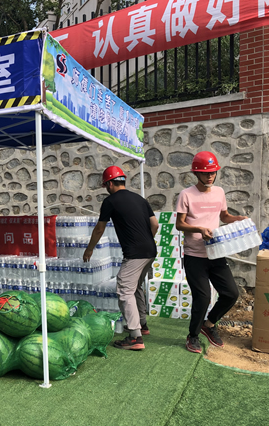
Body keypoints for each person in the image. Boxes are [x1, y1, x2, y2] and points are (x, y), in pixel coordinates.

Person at [175, 151, 247, 353]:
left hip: (216, 252)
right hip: (194, 255)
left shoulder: (219, 192)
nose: (210, 176)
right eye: (206, 173)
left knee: (231, 293)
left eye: (213, 172)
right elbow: (180, 224)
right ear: (196, 173)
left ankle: (209, 324)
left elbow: (224, 216)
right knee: (203, 297)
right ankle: (193, 336)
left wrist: (237, 219)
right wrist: (199, 229)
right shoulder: (186, 195)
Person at [83, 166, 158, 350]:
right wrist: (145, 241)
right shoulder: (140, 199)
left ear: (109, 184)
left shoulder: (110, 201)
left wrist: (89, 249)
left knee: (124, 289)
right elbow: (155, 224)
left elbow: (99, 228)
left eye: (105, 185)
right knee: (135, 286)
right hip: (150, 250)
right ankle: (142, 324)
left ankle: (135, 337)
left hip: (135, 253)